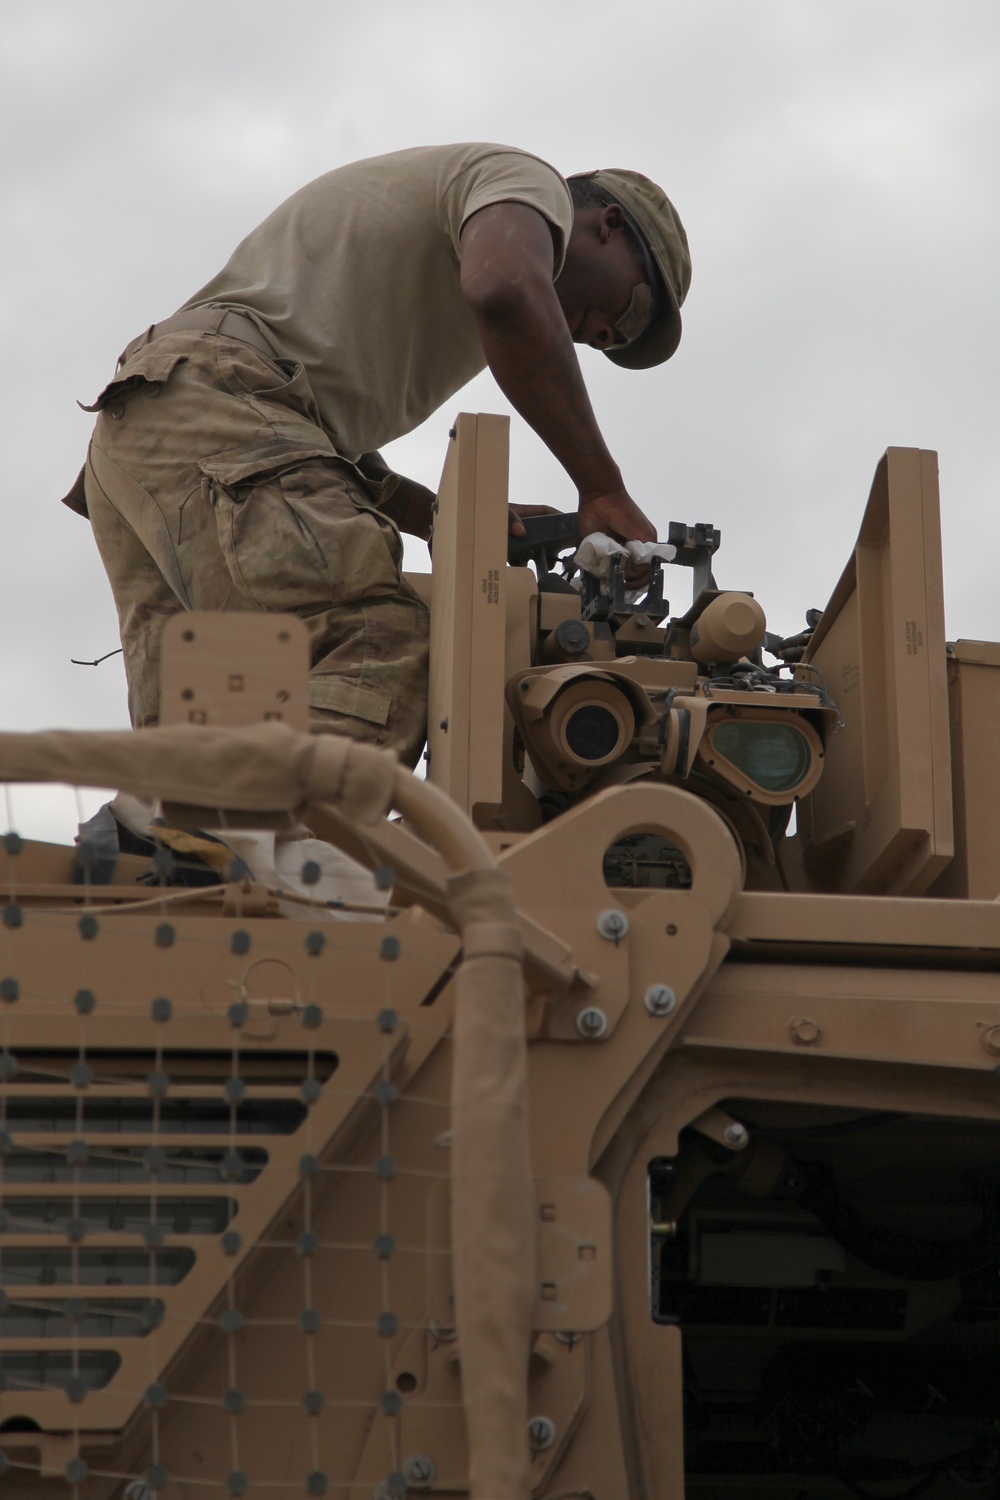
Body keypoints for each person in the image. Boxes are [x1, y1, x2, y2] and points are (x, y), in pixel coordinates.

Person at [64, 144, 691, 768]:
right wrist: (601, 487)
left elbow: (317, 446)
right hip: (214, 407)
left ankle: (183, 844)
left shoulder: (402, 301)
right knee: (378, 642)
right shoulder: (526, 184)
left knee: (197, 748)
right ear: (607, 225)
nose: (605, 335)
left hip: (152, 433)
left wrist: (443, 517)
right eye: (632, 308)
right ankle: (303, 852)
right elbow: (505, 291)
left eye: (619, 342)